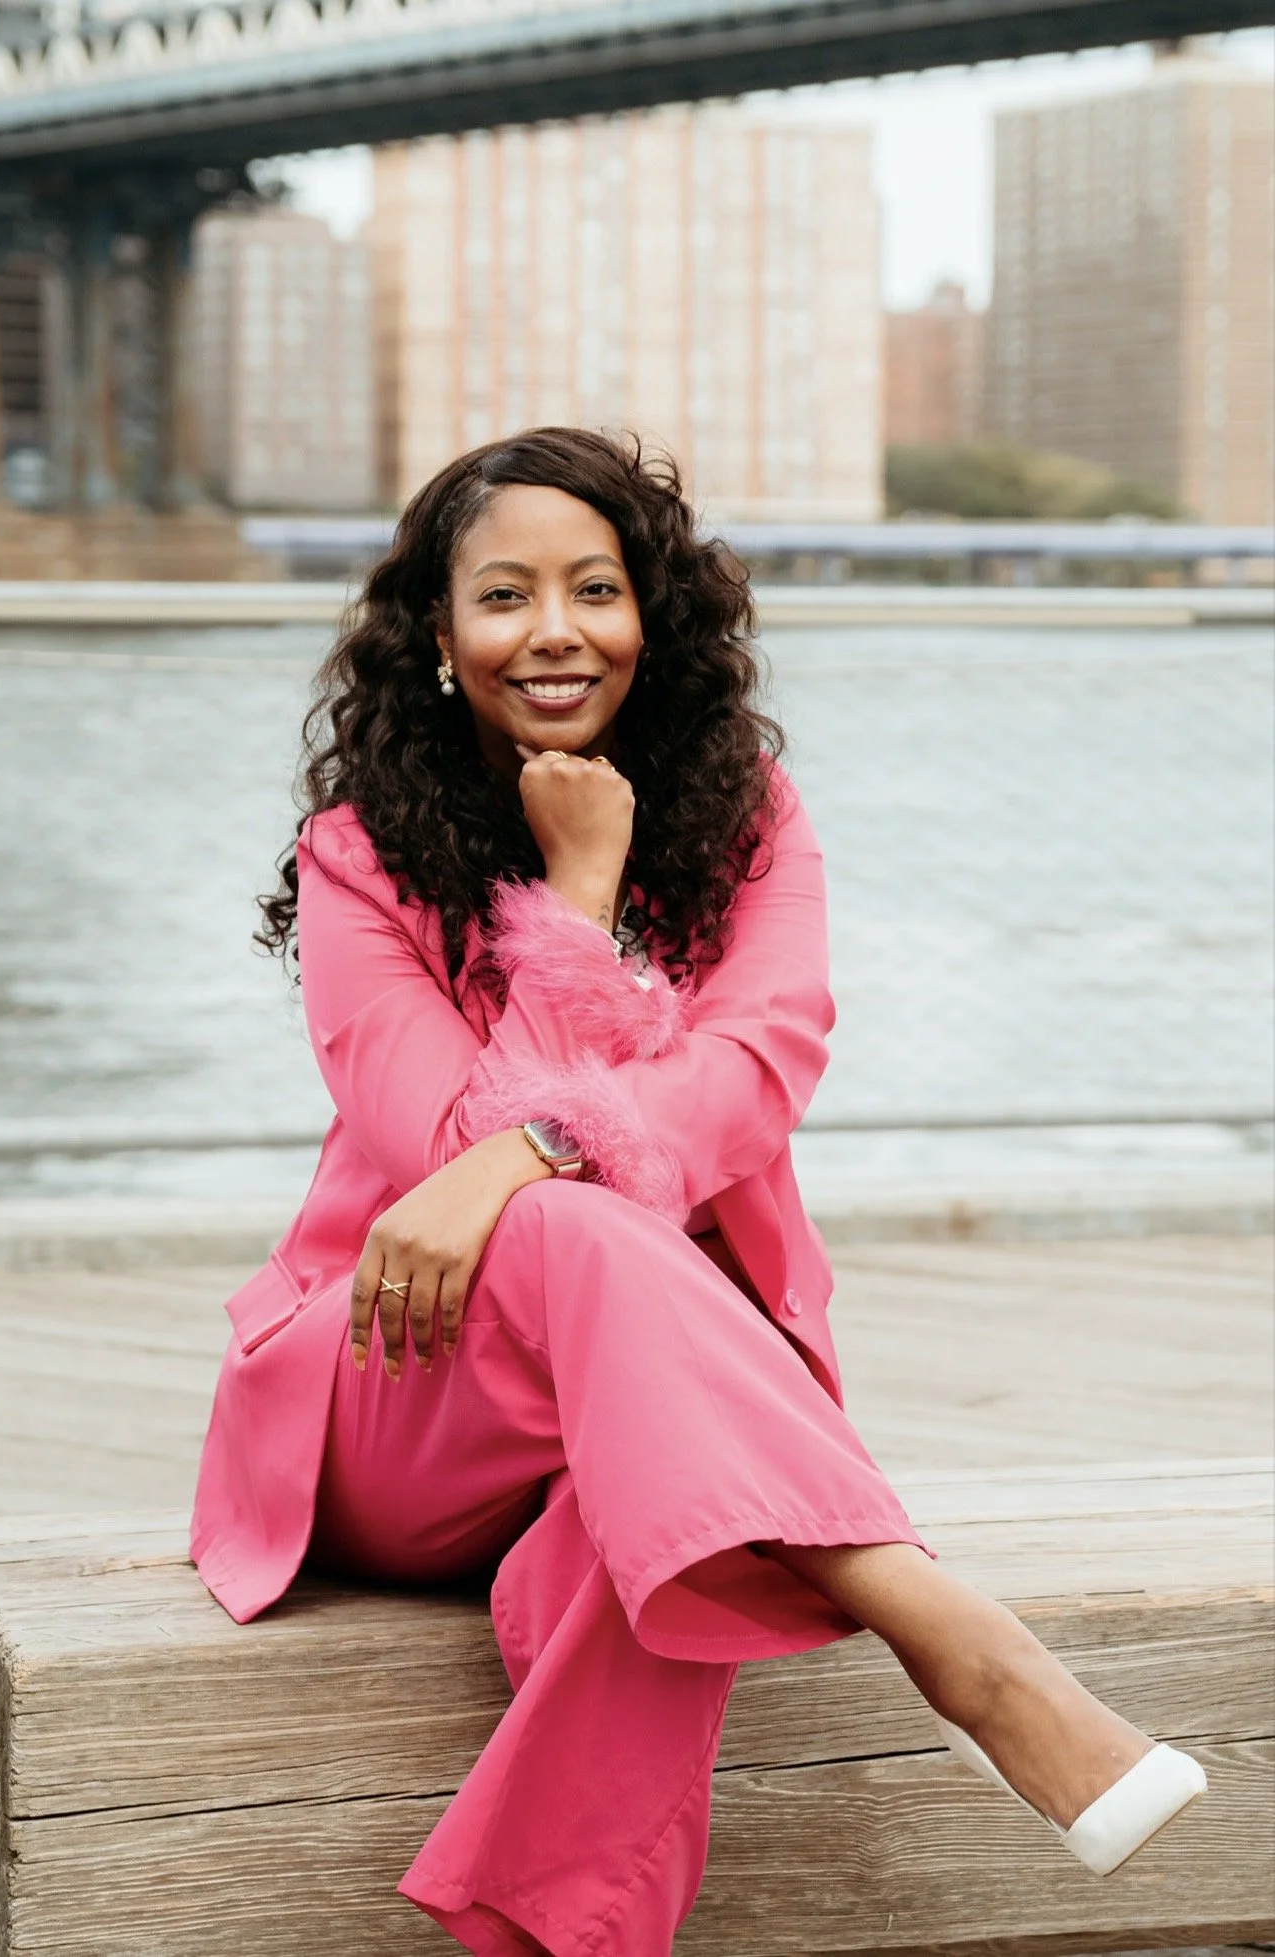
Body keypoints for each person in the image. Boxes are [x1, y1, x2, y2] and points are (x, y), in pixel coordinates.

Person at [190, 428, 1205, 1955]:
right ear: (439, 640)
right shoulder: (358, 864)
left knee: (638, 1518)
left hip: (643, 1406)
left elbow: (752, 1074)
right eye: (505, 596)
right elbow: (442, 1138)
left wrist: (533, 1150)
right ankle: (962, 1645)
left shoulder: (751, 830)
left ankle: (553, 1937)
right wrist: (576, 905)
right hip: (394, 1393)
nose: (554, 631)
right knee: (558, 1225)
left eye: (595, 589)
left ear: (653, 619)